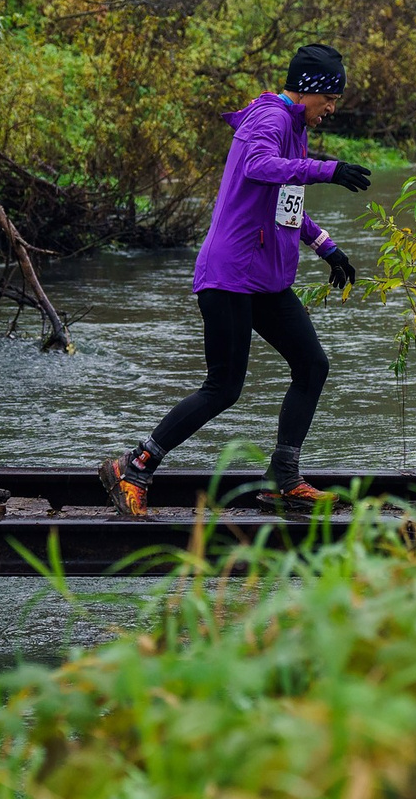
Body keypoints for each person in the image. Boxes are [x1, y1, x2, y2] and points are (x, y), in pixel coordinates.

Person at [99, 43, 373, 515]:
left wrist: (327, 246)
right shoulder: (269, 119)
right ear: (311, 90)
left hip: (264, 279)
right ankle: (134, 465)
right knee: (223, 387)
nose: (332, 109)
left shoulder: (295, 127)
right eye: (331, 99)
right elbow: (257, 165)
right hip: (230, 276)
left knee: (312, 366)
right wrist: (327, 169)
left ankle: (282, 480)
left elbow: (286, 203)